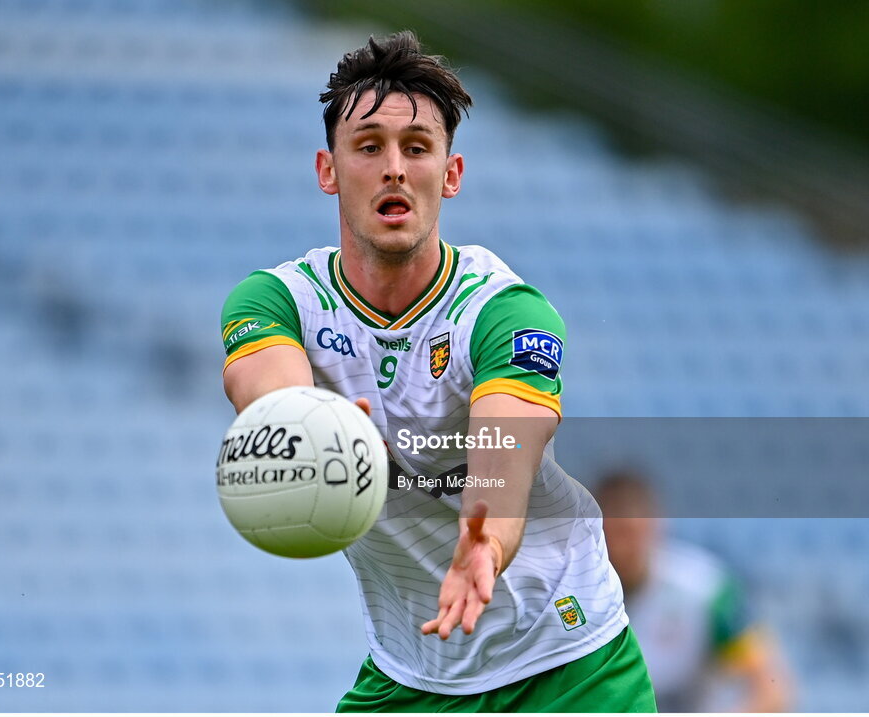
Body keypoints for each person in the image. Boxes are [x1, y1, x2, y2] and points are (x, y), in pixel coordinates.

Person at [220, 31, 656, 712]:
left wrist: (485, 538)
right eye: (369, 146)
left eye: (416, 148)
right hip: (411, 673)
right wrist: (311, 427)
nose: (394, 167)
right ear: (327, 169)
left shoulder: (503, 309)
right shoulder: (277, 301)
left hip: (568, 665)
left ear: (449, 174)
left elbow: (507, 445)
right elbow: (267, 394)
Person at [596, 469, 794, 712]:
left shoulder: (707, 590)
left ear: (657, 524)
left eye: (634, 532)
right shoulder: (576, 599)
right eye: (617, 534)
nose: (627, 547)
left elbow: (772, 688)